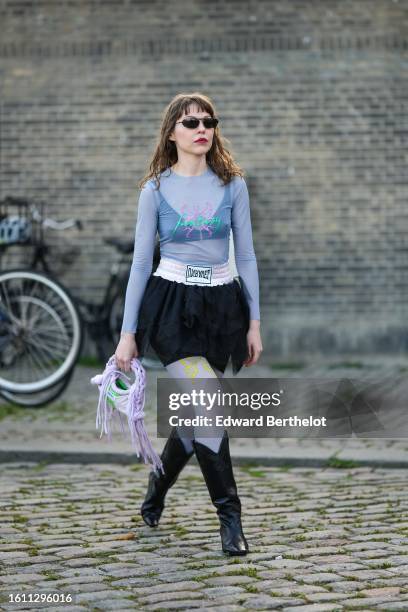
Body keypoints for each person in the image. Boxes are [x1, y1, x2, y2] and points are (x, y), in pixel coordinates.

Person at [115, 92, 262, 556]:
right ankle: (231, 518)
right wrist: (128, 334)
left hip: (222, 306)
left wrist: (255, 321)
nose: (202, 128)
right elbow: (140, 264)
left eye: (208, 121)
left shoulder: (232, 184)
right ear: (172, 134)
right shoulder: (154, 190)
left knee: (196, 413)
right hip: (171, 307)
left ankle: (156, 491)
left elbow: (248, 255)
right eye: (190, 122)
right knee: (210, 406)